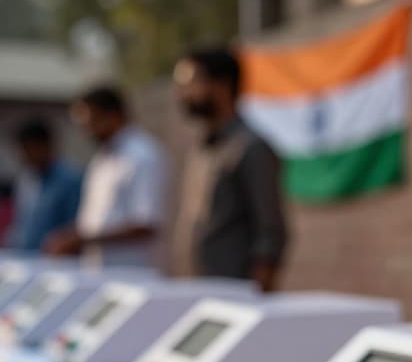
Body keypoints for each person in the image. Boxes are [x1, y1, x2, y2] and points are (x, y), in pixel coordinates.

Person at [172, 46, 288, 290]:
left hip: (234, 294)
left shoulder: (251, 147)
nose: (182, 94)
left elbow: (270, 232)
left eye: (190, 83)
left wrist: (256, 296)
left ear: (221, 85)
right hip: (200, 289)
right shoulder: (203, 148)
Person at [46, 86, 166, 268]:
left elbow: (146, 224)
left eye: (90, 122)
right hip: (99, 272)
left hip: (133, 274)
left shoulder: (142, 156)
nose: (86, 131)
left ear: (113, 115)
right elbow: (96, 219)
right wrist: (74, 236)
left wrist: (84, 239)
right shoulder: (102, 158)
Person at [7, 119, 82, 252]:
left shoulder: (70, 180)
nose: (25, 156)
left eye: (30, 149)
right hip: (24, 258)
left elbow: (76, 227)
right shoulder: (26, 179)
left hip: (57, 264)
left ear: (46, 145)